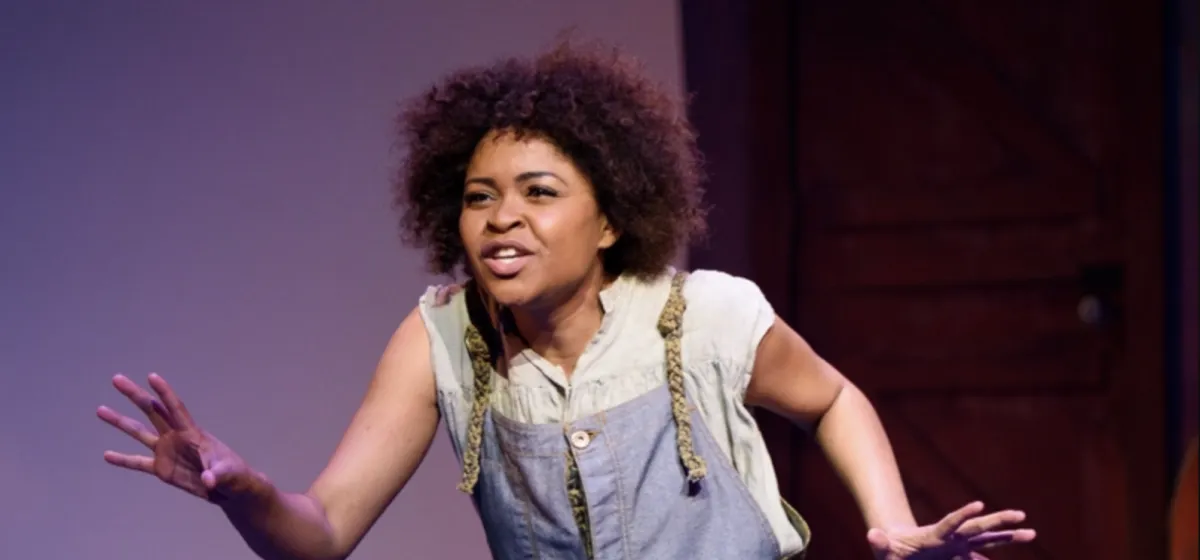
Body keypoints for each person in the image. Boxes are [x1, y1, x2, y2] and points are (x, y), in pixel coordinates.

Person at [96, 41, 1037, 560]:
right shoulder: (442, 339)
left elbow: (831, 397)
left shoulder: (702, 315)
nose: (502, 220)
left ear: (611, 220)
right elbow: (325, 532)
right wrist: (246, 493)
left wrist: (892, 520)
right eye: (479, 198)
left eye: (539, 194)